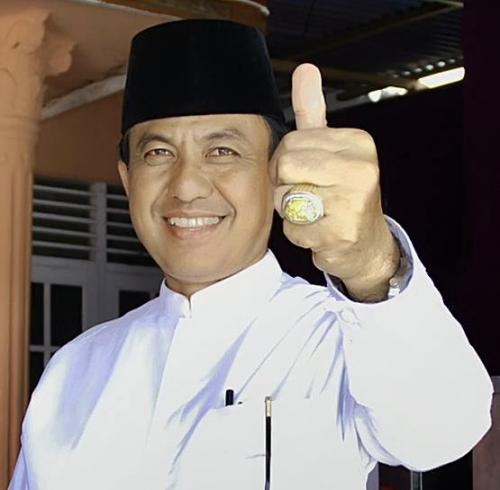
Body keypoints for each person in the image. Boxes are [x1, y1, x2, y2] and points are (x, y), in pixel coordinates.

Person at [9, 19, 492, 490]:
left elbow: (443, 431)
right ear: (127, 177)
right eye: (158, 154)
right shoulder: (73, 369)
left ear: (276, 171)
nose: (187, 186)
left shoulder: (335, 335)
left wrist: (370, 262)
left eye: (222, 151)